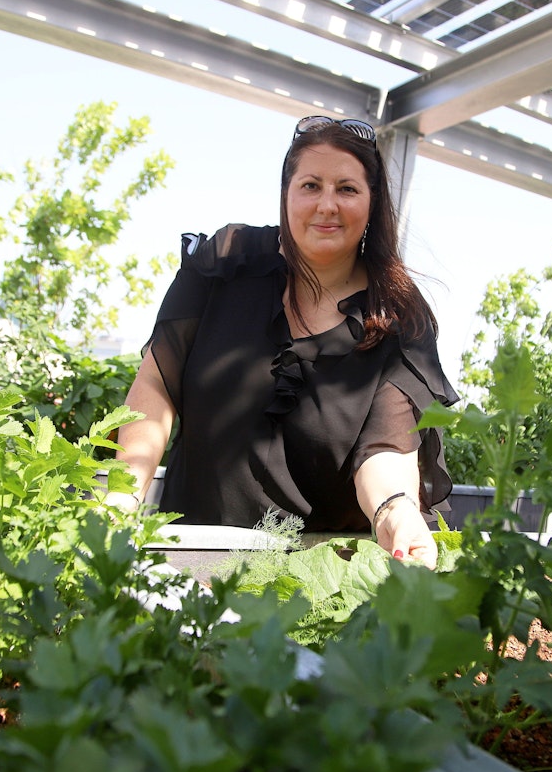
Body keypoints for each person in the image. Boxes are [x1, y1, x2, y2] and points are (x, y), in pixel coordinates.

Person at [107, 115, 459, 568]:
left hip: (317, 577)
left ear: (372, 203)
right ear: (286, 194)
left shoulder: (396, 317)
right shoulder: (225, 263)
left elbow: (386, 447)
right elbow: (156, 383)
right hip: (191, 560)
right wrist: (122, 496)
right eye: (311, 185)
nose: (327, 205)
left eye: (347, 189)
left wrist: (396, 511)